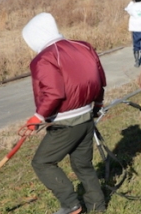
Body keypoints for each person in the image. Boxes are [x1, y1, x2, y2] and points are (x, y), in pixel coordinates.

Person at [20, 12, 107, 214]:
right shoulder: (83, 46)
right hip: (86, 118)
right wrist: (97, 106)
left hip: (65, 123)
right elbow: (100, 79)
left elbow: (53, 93)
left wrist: (38, 117)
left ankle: (70, 206)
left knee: (43, 162)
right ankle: (97, 206)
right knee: (83, 165)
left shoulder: (43, 59)